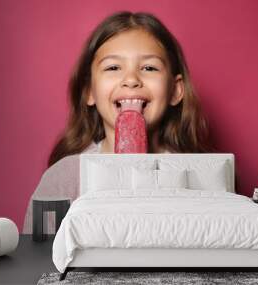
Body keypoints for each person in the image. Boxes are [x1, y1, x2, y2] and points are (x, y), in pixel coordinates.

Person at [23, 11, 213, 233]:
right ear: (89, 91)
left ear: (175, 90)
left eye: (149, 68)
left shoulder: (200, 174)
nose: (131, 80)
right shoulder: (65, 178)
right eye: (113, 68)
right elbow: (36, 260)